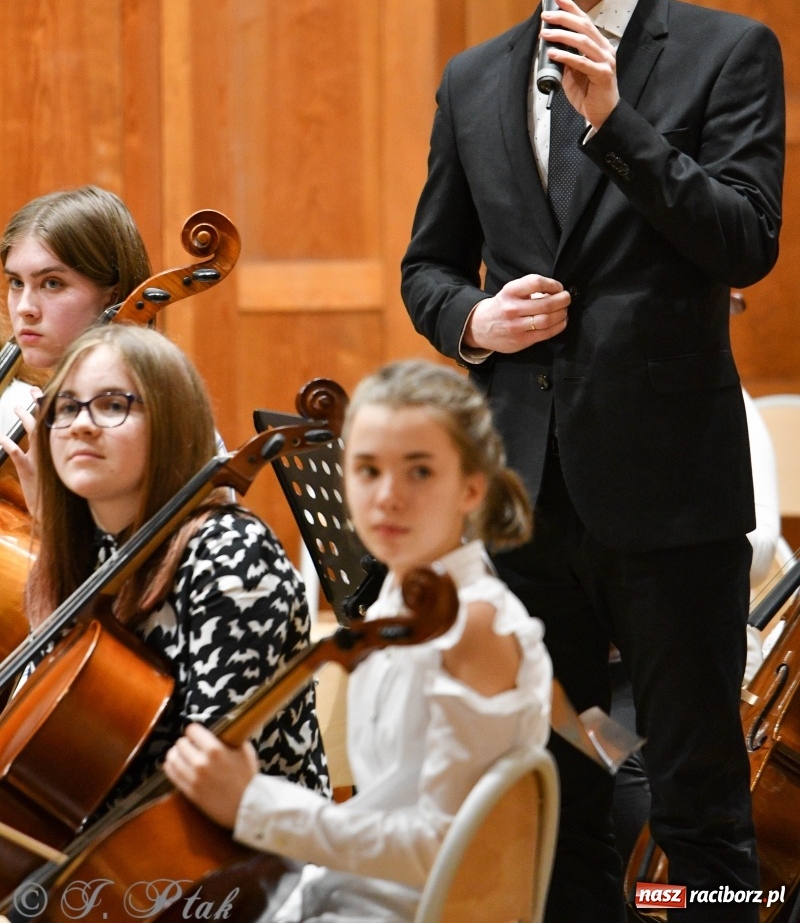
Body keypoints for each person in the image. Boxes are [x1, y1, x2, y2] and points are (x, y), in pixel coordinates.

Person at [400, 0, 784, 922]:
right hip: (521, 493)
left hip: (671, 494)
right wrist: (474, 322)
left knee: (701, 800)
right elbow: (426, 267)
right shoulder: (474, 77)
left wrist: (616, 123)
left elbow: (745, 240)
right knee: (544, 791)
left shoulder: (724, 52)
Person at [163, 359, 552, 923]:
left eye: (419, 472)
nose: (388, 497)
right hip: (350, 893)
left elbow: (440, 850)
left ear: (472, 487)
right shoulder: (403, 597)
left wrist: (256, 804)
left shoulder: (474, 625)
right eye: (367, 470)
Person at [0, 325, 328, 804]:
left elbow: (202, 790)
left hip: (235, 865)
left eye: (113, 405)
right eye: (67, 407)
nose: (81, 425)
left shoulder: (231, 555)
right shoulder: (86, 552)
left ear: (172, 424)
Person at [0, 185, 151, 439]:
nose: (25, 308)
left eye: (52, 283)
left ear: (111, 296)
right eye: (16, 282)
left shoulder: (154, 417)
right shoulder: (19, 409)